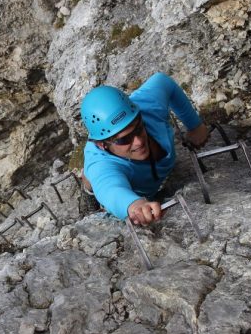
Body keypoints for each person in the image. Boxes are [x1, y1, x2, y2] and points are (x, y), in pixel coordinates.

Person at [81, 72, 208, 226]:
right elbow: (110, 188)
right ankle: (87, 186)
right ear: (102, 144)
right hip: (134, 190)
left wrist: (195, 125)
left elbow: (162, 81)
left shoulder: (147, 107)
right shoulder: (103, 164)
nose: (138, 142)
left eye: (139, 128)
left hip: (155, 175)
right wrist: (133, 204)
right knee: (93, 173)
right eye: (124, 139)